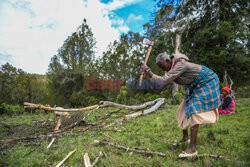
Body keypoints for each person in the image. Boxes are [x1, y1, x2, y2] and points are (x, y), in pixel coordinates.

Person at [140, 52, 220, 158]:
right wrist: (147, 75)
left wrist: (148, 71)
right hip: (194, 84)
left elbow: (162, 81)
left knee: (193, 111)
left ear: (168, 61)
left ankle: (192, 149)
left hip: (206, 81)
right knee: (182, 110)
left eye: (163, 67)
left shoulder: (180, 65)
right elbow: (159, 83)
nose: (164, 70)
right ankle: (185, 138)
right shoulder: (172, 68)